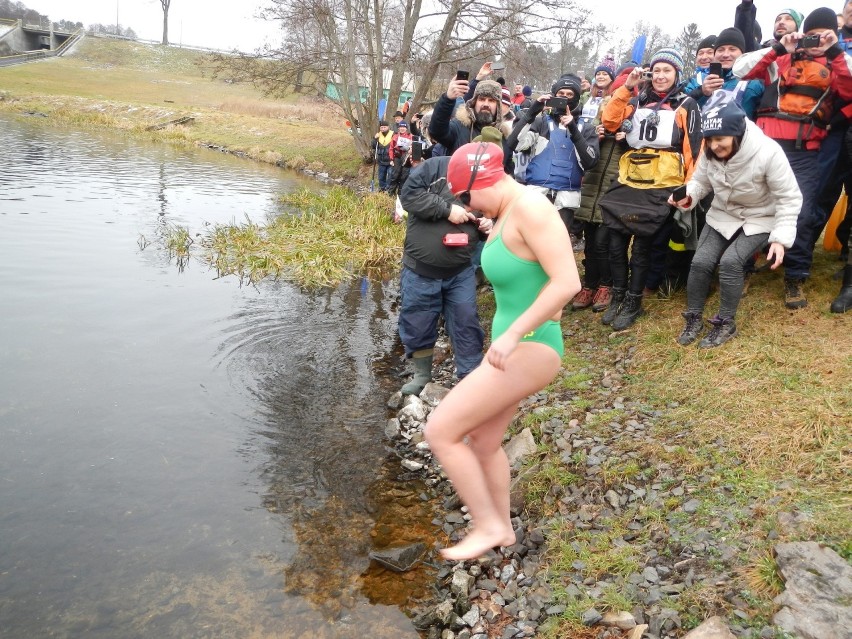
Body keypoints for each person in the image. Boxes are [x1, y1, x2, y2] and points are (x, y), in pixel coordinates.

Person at [425, 142, 581, 561]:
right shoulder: (509, 213)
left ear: (482, 182)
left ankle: (487, 525)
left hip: (529, 348)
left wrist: (514, 334)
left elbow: (567, 282)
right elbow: (533, 276)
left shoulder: (531, 207)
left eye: (465, 196)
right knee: (483, 441)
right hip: (513, 348)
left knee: (439, 431)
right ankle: (504, 531)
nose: (466, 205)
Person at [733, 7, 852, 308]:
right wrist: (779, 46)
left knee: (803, 214)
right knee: (754, 207)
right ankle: (744, 268)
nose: (815, 41)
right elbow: (739, 70)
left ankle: (795, 277)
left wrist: (833, 50)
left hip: (805, 153)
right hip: (765, 147)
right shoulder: (780, 59)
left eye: (823, 35)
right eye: (811, 35)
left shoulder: (838, 62)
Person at [671, 101, 801, 348]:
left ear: (737, 132)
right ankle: (694, 317)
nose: (714, 145)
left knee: (731, 262)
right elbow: (700, 182)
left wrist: (780, 239)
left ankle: (726, 322)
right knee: (700, 262)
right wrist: (690, 195)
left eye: (720, 138)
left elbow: (789, 197)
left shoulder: (768, 152)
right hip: (723, 213)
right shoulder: (710, 151)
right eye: (709, 139)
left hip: (760, 217)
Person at [598, 48, 702, 330]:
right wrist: (627, 88)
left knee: (642, 247)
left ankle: (634, 301)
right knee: (615, 243)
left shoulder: (686, 104)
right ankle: (618, 296)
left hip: (662, 183)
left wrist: (688, 188)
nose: (660, 76)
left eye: (667, 71)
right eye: (656, 70)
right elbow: (609, 122)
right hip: (629, 177)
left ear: (677, 74)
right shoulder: (636, 99)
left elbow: (694, 150)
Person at [396, 154, 492, 394]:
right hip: (420, 270)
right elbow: (409, 196)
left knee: (466, 321)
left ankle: (470, 376)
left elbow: (494, 211)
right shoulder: (435, 167)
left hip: (460, 272)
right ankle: (422, 375)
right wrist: (447, 209)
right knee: (418, 321)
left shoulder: (487, 181)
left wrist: (488, 224)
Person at [506, 74, 599, 247]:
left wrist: (573, 129)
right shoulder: (540, 123)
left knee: (555, 246)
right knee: (528, 243)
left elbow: (591, 162)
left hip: (566, 200)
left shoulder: (586, 128)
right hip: (537, 195)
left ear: (577, 99)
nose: (564, 98)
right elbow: (513, 143)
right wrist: (533, 111)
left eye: (569, 95)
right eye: (560, 93)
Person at [429, 75, 514, 173]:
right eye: (482, 99)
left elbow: (508, 175)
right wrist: (448, 99)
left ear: (498, 106)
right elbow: (436, 131)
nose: (486, 104)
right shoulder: (459, 127)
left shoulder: (503, 137)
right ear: (474, 102)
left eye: (491, 100)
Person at [388, 120, 414, 195]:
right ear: (399, 128)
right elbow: (391, 149)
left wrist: (411, 149)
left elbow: (415, 146)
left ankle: (400, 194)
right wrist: (391, 159)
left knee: (404, 176)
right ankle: (391, 193)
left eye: (404, 127)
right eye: (401, 127)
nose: (402, 128)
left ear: (406, 128)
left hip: (407, 158)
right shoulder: (395, 136)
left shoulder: (410, 136)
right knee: (395, 176)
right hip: (397, 158)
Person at [372, 120, 394, 192]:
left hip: (390, 160)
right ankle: (382, 188)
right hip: (381, 160)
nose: (383, 129)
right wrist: (375, 139)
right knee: (381, 176)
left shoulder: (393, 134)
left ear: (388, 127)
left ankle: (388, 188)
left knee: (390, 176)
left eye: (384, 127)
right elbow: (373, 146)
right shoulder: (378, 135)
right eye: (381, 127)